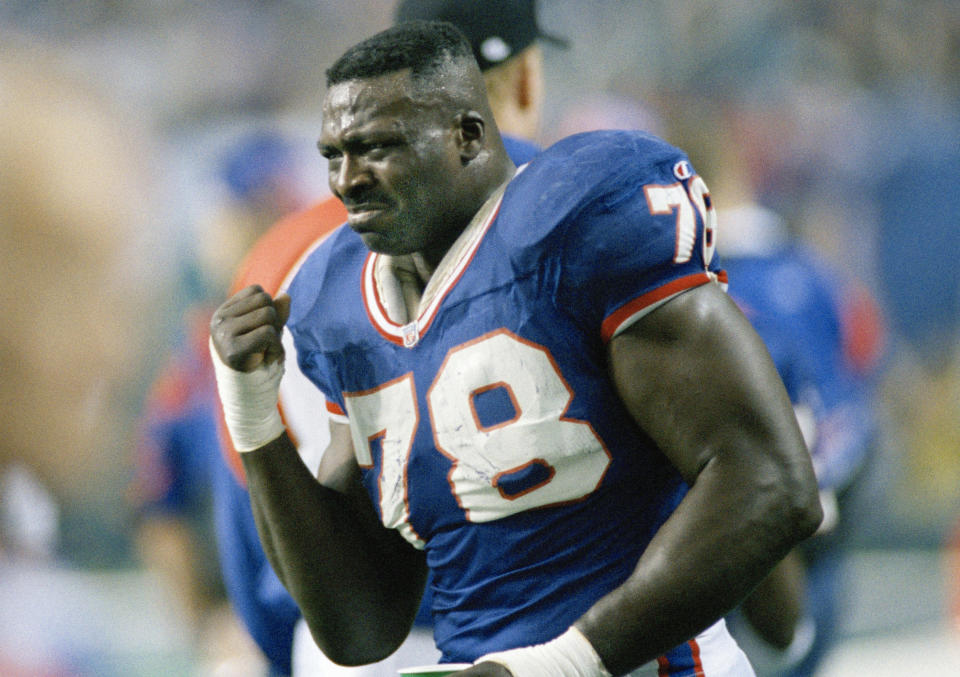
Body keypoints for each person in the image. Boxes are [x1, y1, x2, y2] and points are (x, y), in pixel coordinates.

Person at [210, 21, 822, 677]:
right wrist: (254, 414)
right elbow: (360, 625)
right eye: (334, 154)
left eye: (376, 147)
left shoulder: (582, 217)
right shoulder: (336, 298)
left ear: (468, 136)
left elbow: (771, 482)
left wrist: (564, 663)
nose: (348, 180)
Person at [210, 2, 559, 674]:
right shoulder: (587, 200)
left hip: (357, 631)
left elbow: (248, 499)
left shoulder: (285, 261)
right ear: (523, 78)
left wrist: (282, 644)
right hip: (577, 624)